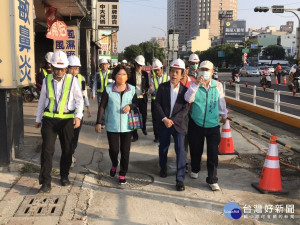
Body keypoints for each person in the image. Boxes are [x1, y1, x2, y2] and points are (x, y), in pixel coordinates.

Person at [35, 51, 83, 193]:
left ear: (66, 68)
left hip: (67, 120)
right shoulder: (46, 80)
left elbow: (79, 100)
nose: (60, 71)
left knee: (67, 150)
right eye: (57, 68)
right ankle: (45, 182)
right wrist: (38, 118)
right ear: (52, 67)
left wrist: (78, 116)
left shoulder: (72, 80)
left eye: (63, 69)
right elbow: (42, 101)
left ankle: (64, 175)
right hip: (49, 120)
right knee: (47, 151)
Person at [184, 60, 227, 191]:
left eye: (207, 70)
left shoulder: (218, 85)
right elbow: (188, 99)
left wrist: (224, 115)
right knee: (196, 149)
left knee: (213, 153)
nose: (204, 72)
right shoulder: (193, 85)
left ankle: (212, 179)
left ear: (212, 72)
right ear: (198, 71)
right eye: (202, 69)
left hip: (213, 125)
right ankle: (195, 168)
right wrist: (196, 84)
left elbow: (221, 101)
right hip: (196, 123)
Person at [95, 65, 137, 184]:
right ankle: (114, 163)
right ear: (114, 76)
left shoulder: (132, 89)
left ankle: (122, 173)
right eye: (119, 74)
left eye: (124, 74)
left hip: (127, 126)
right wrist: (99, 122)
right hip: (112, 124)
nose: (122, 76)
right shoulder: (108, 89)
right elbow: (102, 106)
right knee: (114, 150)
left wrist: (130, 106)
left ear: (127, 76)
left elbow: (136, 103)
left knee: (125, 151)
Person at [155, 58, 189, 191]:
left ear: (182, 74)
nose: (174, 74)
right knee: (163, 147)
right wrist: (164, 118)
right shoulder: (162, 87)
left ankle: (180, 179)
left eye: (177, 72)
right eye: (172, 71)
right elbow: (157, 104)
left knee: (181, 151)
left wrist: (173, 120)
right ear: (169, 72)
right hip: (164, 123)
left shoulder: (186, 90)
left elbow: (185, 108)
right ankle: (163, 167)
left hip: (178, 125)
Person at [67, 55, 91, 166]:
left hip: (78, 113)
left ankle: (70, 154)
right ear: (68, 68)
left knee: (75, 136)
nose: (75, 71)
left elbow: (84, 94)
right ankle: (67, 155)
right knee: (67, 136)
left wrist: (88, 107)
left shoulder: (81, 78)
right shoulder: (64, 78)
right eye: (73, 68)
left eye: (77, 68)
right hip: (66, 113)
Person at [127, 55, 149, 142]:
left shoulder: (145, 74)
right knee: (134, 116)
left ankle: (143, 128)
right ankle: (135, 135)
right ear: (135, 64)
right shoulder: (130, 73)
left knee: (144, 115)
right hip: (133, 98)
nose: (140, 67)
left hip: (142, 97)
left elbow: (147, 85)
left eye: (141, 66)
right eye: (138, 65)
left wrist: (146, 90)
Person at [149, 59, 169, 143]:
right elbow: (151, 92)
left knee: (165, 118)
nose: (157, 72)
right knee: (155, 120)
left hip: (165, 102)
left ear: (161, 68)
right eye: (155, 70)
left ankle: (164, 135)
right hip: (155, 102)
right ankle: (157, 136)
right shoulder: (152, 79)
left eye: (158, 70)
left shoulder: (167, 77)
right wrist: (151, 90)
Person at [180, 63, 195, 173]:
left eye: (185, 69)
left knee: (193, 140)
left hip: (194, 114)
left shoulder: (194, 81)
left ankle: (194, 162)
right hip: (181, 116)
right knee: (183, 140)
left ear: (187, 70)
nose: (184, 71)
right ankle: (183, 163)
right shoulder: (176, 82)